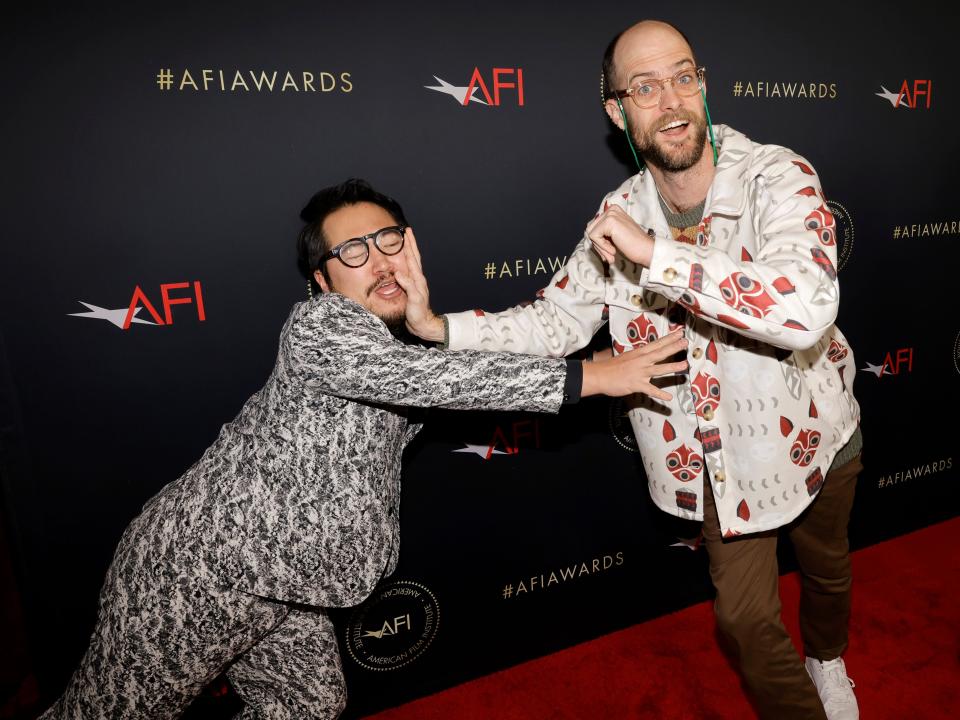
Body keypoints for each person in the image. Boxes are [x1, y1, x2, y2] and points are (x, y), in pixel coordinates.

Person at [39, 179, 687, 720]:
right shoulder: (322, 328)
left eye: (389, 240)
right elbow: (437, 382)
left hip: (283, 586)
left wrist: (445, 327)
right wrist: (593, 377)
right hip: (197, 573)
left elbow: (439, 373)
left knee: (308, 703)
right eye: (353, 250)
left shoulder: (389, 352)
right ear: (322, 281)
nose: (379, 259)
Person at [405, 21, 863, 720]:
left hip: (815, 428)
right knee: (743, 621)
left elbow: (805, 307)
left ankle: (827, 659)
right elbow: (556, 320)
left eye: (683, 77)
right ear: (619, 114)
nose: (671, 100)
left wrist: (657, 257)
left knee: (827, 571)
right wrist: (442, 328)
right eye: (644, 87)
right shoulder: (619, 214)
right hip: (717, 458)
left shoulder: (778, 173)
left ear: (703, 86)